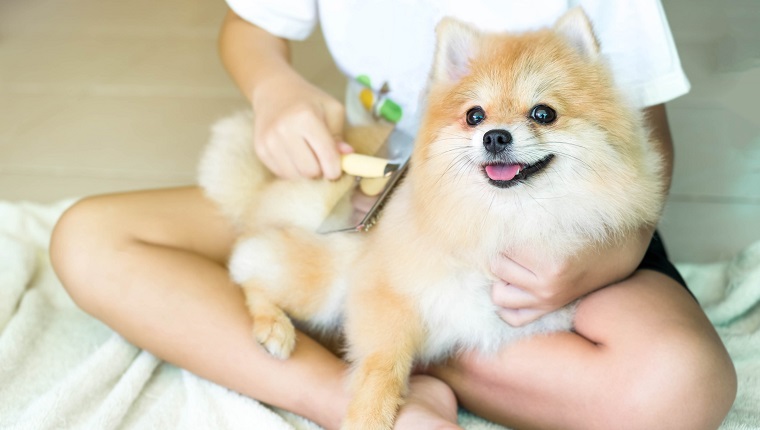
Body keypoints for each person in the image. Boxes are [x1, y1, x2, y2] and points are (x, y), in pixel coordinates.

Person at [50, 1, 737, 429]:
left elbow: (643, 137)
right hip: (370, 191)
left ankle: (384, 340)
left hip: (560, 220)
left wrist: (605, 257)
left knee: (681, 388)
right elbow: (248, 30)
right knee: (90, 239)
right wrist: (274, 88)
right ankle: (373, 400)